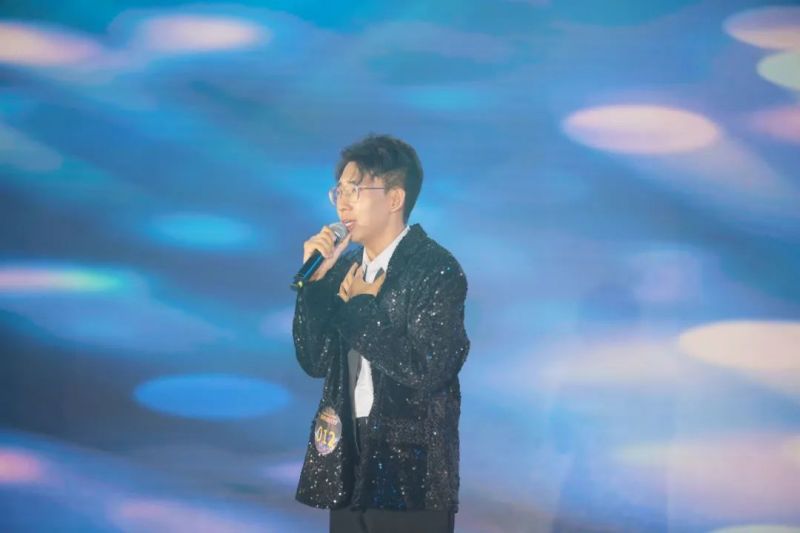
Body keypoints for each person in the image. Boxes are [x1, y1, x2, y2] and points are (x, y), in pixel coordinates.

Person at [292, 134, 470, 533]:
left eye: (355, 190)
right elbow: (314, 361)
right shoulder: (343, 268)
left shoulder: (435, 270)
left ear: (394, 198)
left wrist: (360, 309)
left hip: (409, 474)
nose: (343, 203)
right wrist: (316, 286)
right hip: (348, 459)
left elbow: (427, 368)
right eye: (339, 191)